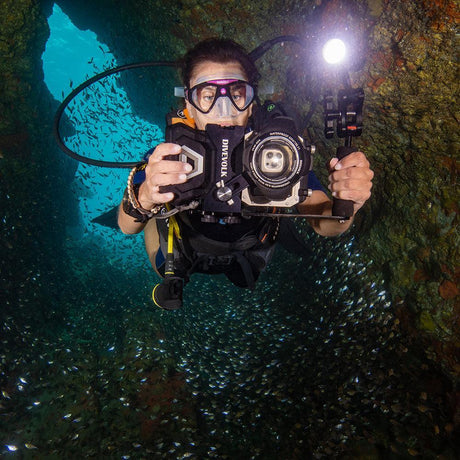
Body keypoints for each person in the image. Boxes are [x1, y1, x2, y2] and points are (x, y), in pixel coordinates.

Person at [118, 38, 373, 300]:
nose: (224, 109)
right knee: (161, 255)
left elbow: (324, 222)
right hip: (181, 249)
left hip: (250, 252)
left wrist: (347, 204)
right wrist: (146, 195)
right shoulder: (169, 156)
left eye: (237, 94)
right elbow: (126, 226)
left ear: (251, 102)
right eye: (208, 96)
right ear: (189, 104)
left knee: (245, 276)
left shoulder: (278, 153)